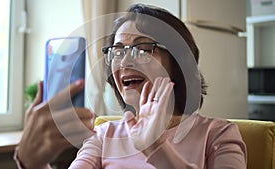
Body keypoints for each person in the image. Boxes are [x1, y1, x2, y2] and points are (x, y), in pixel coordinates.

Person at [15, 4, 247, 169]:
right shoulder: (103, 134)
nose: (125, 61)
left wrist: (156, 147)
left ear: (178, 62)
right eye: (117, 51)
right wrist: (34, 164)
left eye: (143, 48)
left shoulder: (218, 134)